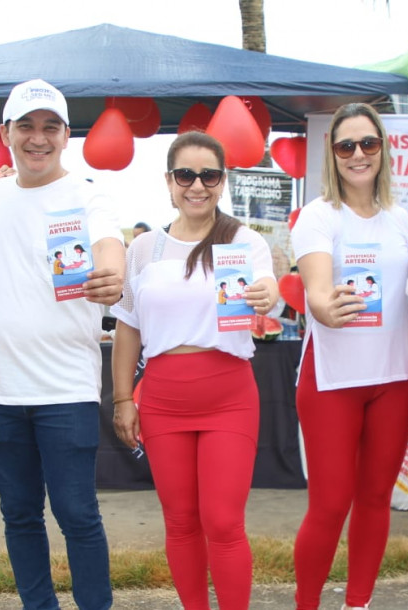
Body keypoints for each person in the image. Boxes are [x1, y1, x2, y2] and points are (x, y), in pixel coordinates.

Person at [0, 78, 123, 610]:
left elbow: (108, 250)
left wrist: (111, 274)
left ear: (66, 135)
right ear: (5, 134)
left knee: (78, 515)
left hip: (66, 390)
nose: (38, 138)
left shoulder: (87, 193)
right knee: (20, 515)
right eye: (26, 127)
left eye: (49, 127)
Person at [111, 131, 279, 610]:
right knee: (181, 520)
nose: (197, 185)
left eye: (209, 175)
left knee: (223, 522)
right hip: (163, 399)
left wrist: (266, 294)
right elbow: (127, 329)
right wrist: (124, 399)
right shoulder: (144, 249)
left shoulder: (243, 240)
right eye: (186, 174)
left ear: (222, 182)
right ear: (169, 181)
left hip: (228, 396)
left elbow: (267, 285)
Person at [290, 103, 408, 610]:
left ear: (383, 149)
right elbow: (316, 290)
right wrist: (325, 306)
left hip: (396, 375)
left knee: (374, 500)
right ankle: (307, 604)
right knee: (329, 505)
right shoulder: (318, 216)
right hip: (333, 379)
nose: (359, 154)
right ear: (333, 153)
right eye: (347, 145)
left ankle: (358, 603)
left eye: (369, 143)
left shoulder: (401, 219)